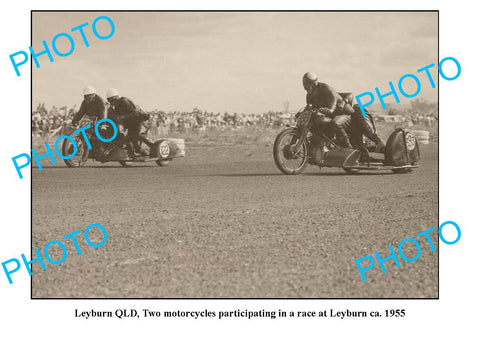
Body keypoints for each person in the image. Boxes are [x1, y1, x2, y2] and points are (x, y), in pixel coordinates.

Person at [302, 72, 385, 152]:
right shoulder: (309, 96)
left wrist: (330, 110)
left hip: (344, 113)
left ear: (313, 83)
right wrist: (301, 114)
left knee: (336, 123)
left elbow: (333, 100)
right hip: (333, 115)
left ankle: (350, 150)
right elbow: (309, 107)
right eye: (304, 84)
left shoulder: (325, 88)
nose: (305, 86)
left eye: (307, 83)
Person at [105, 88, 152, 156]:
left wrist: (121, 117)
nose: (111, 102)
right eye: (109, 100)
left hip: (137, 121)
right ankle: (132, 150)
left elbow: (135, 113)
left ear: (116, 97)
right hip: (129, 122)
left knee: (134, 135)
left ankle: (149, 147)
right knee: (123, 136)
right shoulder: (116, 106)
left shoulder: (124, 101)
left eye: (111, 99)